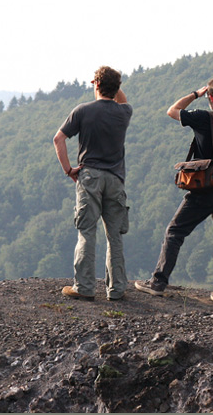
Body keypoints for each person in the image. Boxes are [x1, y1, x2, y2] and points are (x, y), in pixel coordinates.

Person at [135, 77, 213, 306]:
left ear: (212, 97)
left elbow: (172, 110)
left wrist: (195, 94)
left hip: (207, 185)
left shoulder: (203, 117)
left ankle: (158, 283)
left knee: (175, 231)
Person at [53, 66, 132, 301]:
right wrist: (112, 85)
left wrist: (69, 170)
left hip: (90, 177)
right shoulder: (124, 112)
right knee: (114, 236)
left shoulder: (82, 111)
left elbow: (58, 139)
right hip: (116, 180)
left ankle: (84, 288)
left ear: (95, 84)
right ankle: (116, 290)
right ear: (117, 88)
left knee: (87, 231)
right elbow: (122, 98)